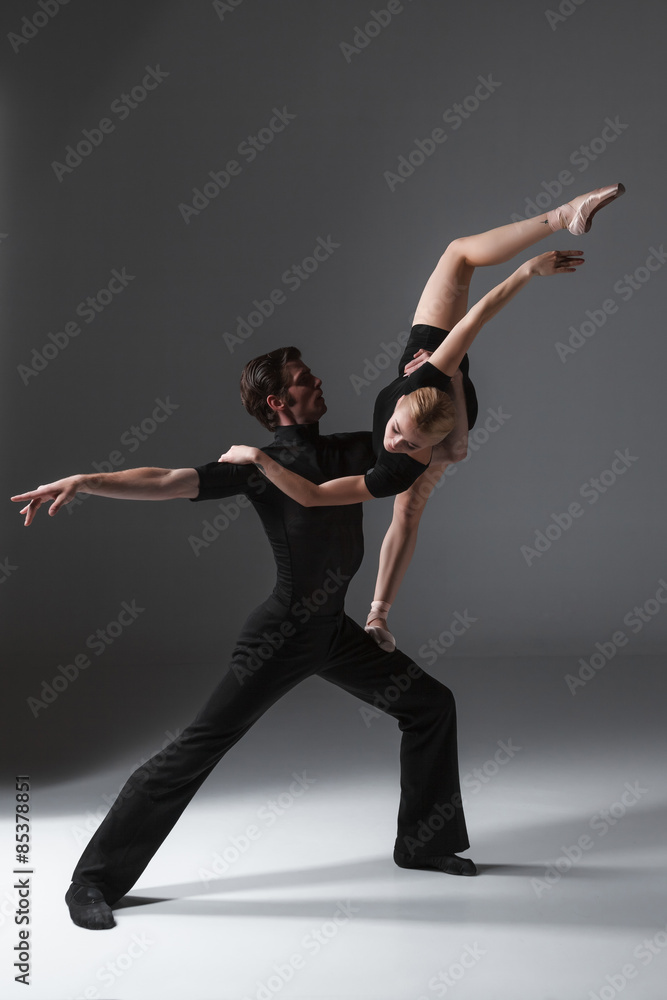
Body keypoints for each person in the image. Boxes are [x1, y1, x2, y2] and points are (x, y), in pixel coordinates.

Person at [12, 348, 477, 932]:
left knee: (430, 705)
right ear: (279, 403)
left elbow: (438, 443)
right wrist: (86, 481)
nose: (320, 380)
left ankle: (422, 843)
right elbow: (165, 480)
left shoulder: (356, 448)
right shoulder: (258, 466)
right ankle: (93, 880)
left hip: (331, 630)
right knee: (195, 749)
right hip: (280, 636)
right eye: (306, 380)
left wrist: (441, 373)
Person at [218, 183, 625, 649]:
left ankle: (378, 618)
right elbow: (473, 323)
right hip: (436, 384)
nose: (391, 443)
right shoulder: (419, 400)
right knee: (456, 257)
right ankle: (563, 215)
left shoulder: (405, 440)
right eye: (397, 433)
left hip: (439, 391)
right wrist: (527, 271)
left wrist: (257, 457)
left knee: (410, 506)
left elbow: (313, 496)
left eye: (405, 443)